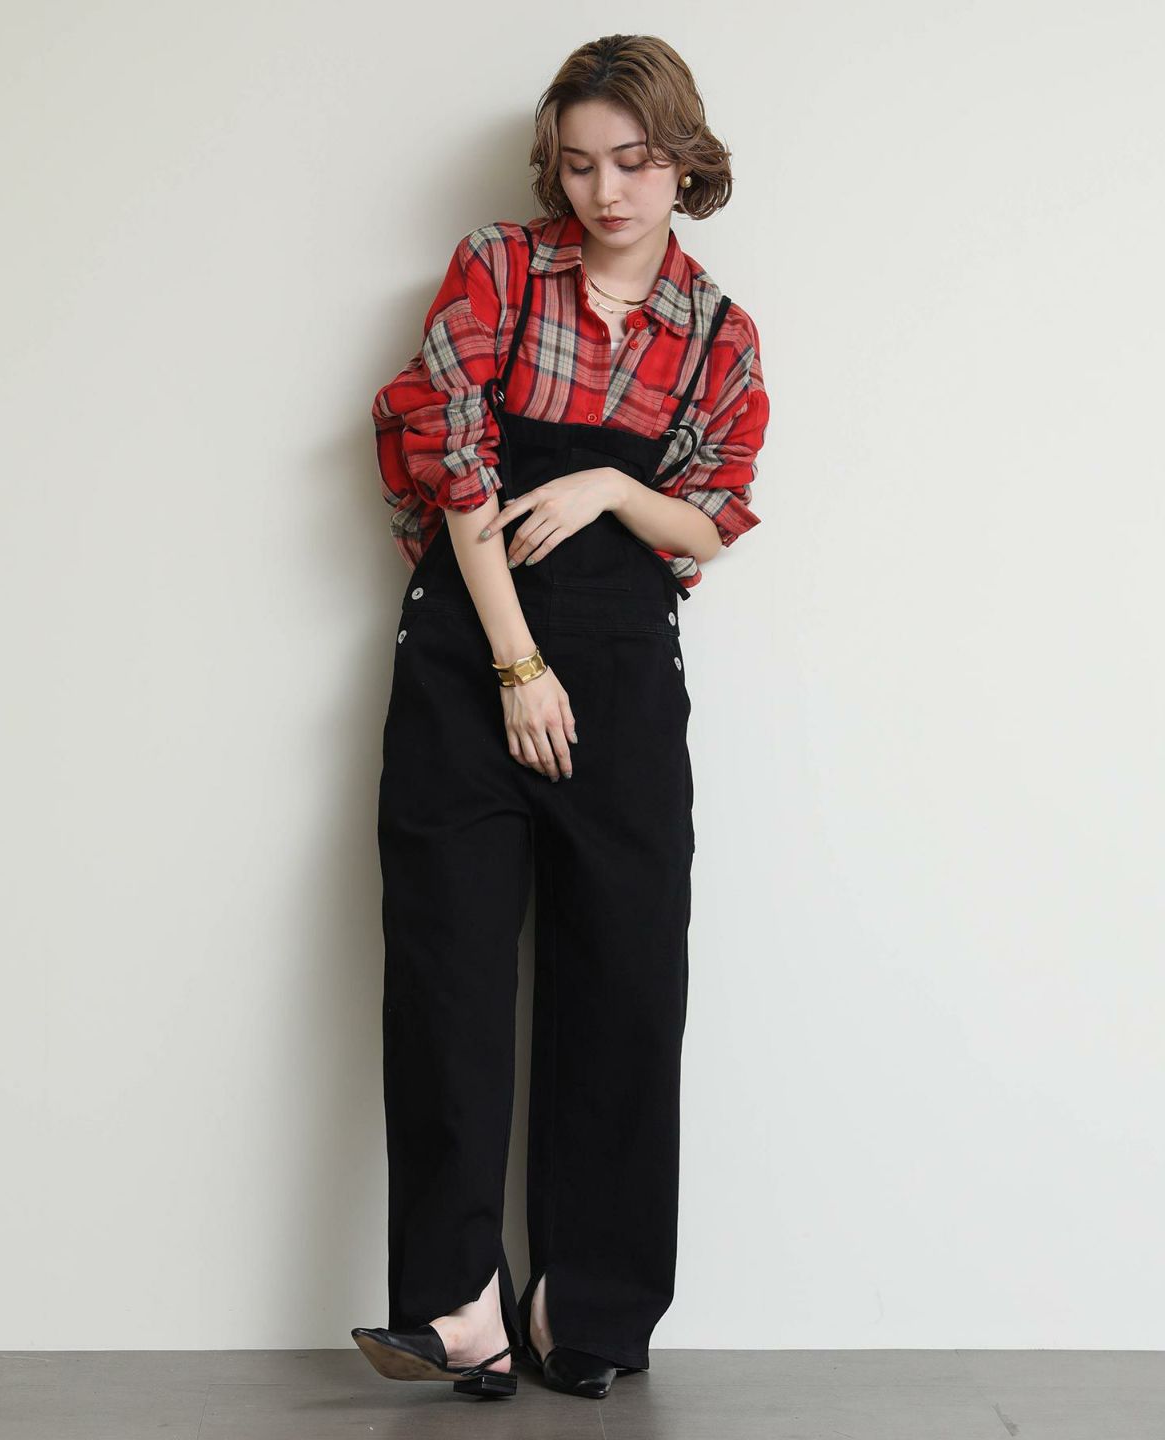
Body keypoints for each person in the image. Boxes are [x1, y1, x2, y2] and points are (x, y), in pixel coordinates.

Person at [351, 33, 770, 1403]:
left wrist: (610, 490)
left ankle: (587, 1297)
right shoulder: (496, 269)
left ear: (683, 163)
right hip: (470, 658)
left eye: (635, 163)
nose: (607, 192)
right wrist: (518, 666)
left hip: (627, 672)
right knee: (450, 977)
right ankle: (457, 1303)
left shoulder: (717, 332)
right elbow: (456, 458)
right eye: (581, 165)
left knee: (626, 983)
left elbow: (712, 520)